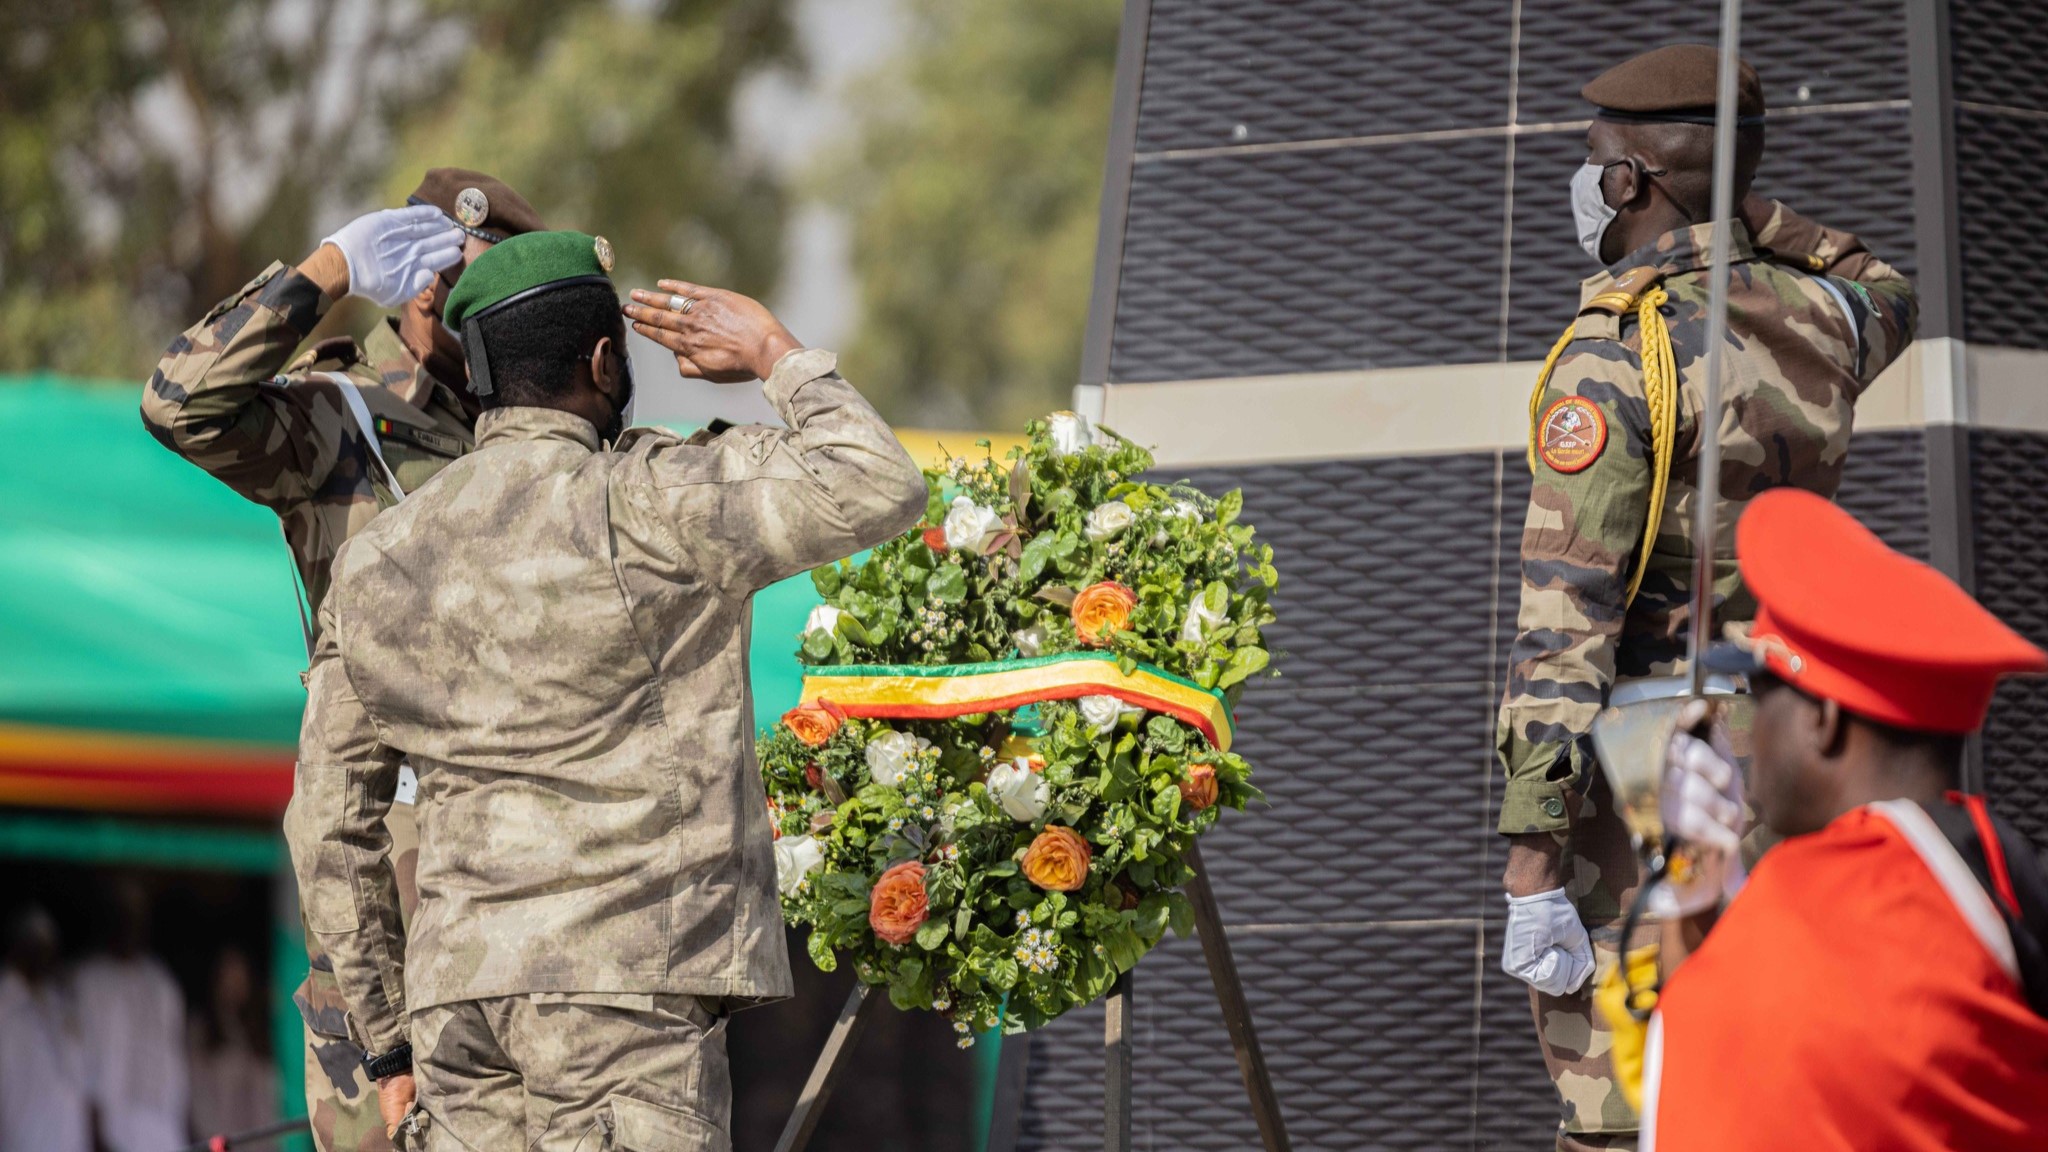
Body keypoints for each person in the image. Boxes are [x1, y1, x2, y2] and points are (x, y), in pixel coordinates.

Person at [284, 230, 928, 1150]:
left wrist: (386, 1049)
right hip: (624, 1005)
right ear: (602, 359)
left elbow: (328, 824)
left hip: (459, 1017)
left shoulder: (378, 559)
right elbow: (876, 481)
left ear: (481, 371)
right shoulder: (656, 503)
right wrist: (772, 355)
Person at [1493, 43, 1919, 1150]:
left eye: (1595, 163)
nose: (1583, 184)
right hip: (1789, 755)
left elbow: (1563, 618)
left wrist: (1533, 860)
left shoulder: (1611, 355)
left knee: (1622, 1104)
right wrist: (1732, 209)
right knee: (1770, 1091)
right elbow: (1885, 282)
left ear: (1629, 181)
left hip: (1651, 779)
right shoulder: (1823, 320)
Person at [141, 168, 548, 1152]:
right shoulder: (343, 420)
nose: (449, 301)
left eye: (482, 285)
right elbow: (179, 407)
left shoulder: (543, 435)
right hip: (387, 873)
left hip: (524, 874)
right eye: (441, 277)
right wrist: (326, 270)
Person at [1639, 487, 2048, 1149]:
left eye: (1759, 693)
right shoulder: (1993, 868)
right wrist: (1694, 890)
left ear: (1823, 721)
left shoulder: (1823, 907)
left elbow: (1704, 1047)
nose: (1747, 730)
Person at [73, 878, 188, 1152]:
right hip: (115, 1132)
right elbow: (80, 1068)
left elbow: (176, 1063)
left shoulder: (161, 981)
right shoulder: (88, 980)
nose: (130, 924)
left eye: (136, 914)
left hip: (164, 1131)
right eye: (122, 913)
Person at [0, 905, 92, 1152]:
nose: (41, 956)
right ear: (16, 947)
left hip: (68, 1140)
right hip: (22, 1140)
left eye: (47, 947)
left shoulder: (58, 1004)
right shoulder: (4, 1006)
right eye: (34, 945)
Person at [188, 948, 279, 1143]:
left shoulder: (260, 1034)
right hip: (219, 1142)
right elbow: (198, 1097)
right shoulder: (202, 1031)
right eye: (228, 974)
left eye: (239, 974)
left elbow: (268, 1099)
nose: (234, 982)